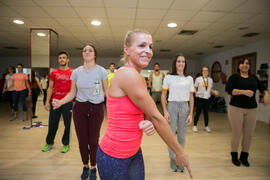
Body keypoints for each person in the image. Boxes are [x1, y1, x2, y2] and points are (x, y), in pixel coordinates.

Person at [97, 30, 192, 180]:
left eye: (150, 47)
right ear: (126, 49)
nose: (148, 51)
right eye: (142, 45)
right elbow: (156, 117)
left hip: (134, 151)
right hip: (114, 155)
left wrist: (146, 121)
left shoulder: (139, 77)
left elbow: (147, 115)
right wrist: (179, 152)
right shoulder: (127, 75)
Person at [52, 44, 108, 180]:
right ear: (82, 54)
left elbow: (107, 93)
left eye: (90, 50)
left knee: (93, 141)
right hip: (80, 109)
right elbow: (72, 93)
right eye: (84, 50)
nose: (87, 52)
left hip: (96, 109)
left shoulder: (101, 71)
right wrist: (60, 102)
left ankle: (94, 167)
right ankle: (85, 166)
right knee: (82, 141)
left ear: (95, 55)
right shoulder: (76, 72)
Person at [225, 58, 269, 167]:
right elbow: (228, 90)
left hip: (252, 109)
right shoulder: (234, 77)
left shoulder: (254, 78)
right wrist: (243, 92)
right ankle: (234, 155)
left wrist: (266, 94)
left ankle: (244, 156)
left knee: (248, 135)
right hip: (236, 108)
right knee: (237, 133)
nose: (245, 65)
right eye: (243, 63)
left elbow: (263, 88)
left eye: (247, 63)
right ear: (239, 66)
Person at [161, 53, 194, 173]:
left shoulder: (189, 78)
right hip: (172, 106)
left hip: (184, 107)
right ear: (175, 64)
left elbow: (191, 97)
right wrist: (165, 111)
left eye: (183, 61)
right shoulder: (169, 77)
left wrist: (191, 114)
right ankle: (172, 159)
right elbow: (163, 95)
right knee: (171, 136)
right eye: (179, 61)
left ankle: (180, 159)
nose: (181, 64)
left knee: (181, 136)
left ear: (185, 64)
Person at [41, 51, 73, 154]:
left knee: (67, 125)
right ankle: (49, 143)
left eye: (64, 58)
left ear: (67, 60)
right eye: (60, 58)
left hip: (68, 102)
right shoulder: (53, 73)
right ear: (58, 60)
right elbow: (50, 88)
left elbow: (75, 89)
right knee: (53, 124)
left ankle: (66, 144)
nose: (62, 59)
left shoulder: (73, 72)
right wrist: (47, 102)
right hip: (55, 102)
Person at [193, 66, 219, 133]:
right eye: (204, 70)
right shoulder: (198, 79)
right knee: (198, 112)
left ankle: (206, 126)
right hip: (199, 97)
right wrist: (195, 93)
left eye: (206, 70)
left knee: (206, 113)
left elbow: (209, 89)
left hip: (207, 98)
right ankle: (195, 125)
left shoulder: (210, 80)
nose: (205, 72)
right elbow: (195, 87)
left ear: (208, 72)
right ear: (202, 72)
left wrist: (214, 91)